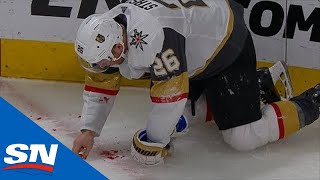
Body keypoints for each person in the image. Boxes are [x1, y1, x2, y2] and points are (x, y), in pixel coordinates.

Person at [72, 0, 320, 166]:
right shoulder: (113, 27)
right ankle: (257, 84)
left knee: (244, 137)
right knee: (191, 115)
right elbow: (102, 81)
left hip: (226, 46)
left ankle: (314, 100)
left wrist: (155, 143)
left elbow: (171, 98)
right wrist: (89, 130)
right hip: (196, 51)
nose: (101, 67)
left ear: (118, 47)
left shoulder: (157, 35)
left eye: (104, 62)